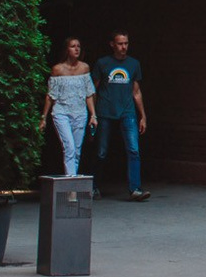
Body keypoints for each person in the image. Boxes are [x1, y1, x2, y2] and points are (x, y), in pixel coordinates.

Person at [90, 32, 148, 200]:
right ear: (112, 44)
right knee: (101, 151)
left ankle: (135, 189)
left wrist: (143, 116)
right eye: (120, 43)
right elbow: (93, 90)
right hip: (105, 111)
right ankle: (93, 186)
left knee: (133, 150)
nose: (124, 47)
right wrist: (92, 114)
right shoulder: (103, 63)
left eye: (126, 43)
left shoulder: (133, 64)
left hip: (127, 111)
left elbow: (136, 92)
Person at [39, 37, 94, 179]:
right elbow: (51, 95)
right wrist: (43, 117)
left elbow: (89, 93)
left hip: (80, 113)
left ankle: (71, 183)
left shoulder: (84, 68)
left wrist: (93, 115)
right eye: (73, 46)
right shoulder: (58, 69)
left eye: (78, 46)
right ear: (66, 50)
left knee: (76, 150)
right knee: (69, 147)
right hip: (61, 112)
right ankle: (72, 187)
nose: (76, 49)